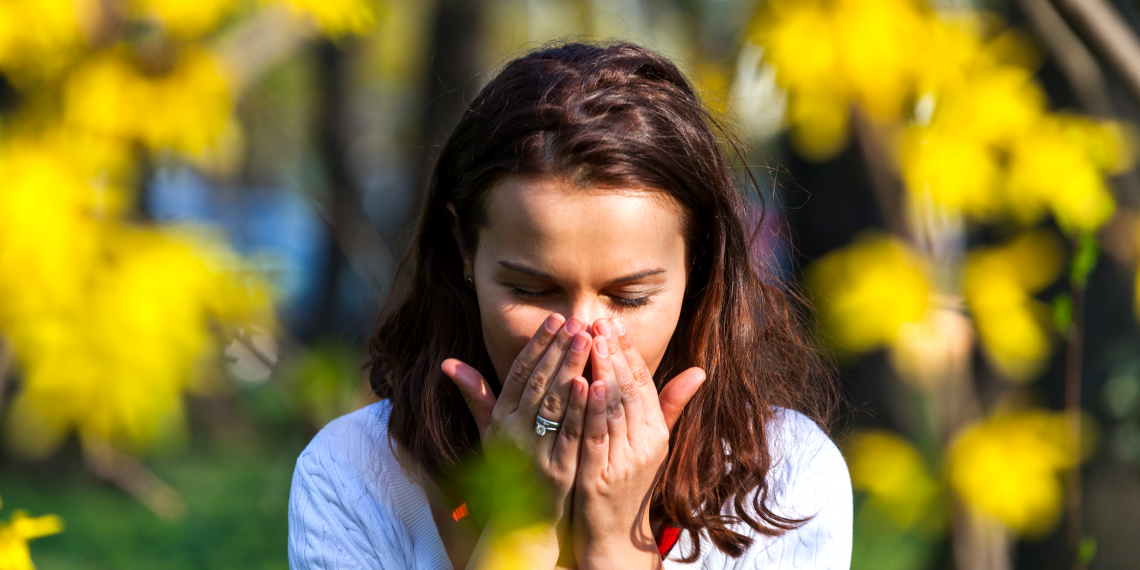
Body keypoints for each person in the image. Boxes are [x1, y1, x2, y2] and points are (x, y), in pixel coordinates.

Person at [288, 41, 852, 569]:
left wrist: (615, 545)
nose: (581, 336)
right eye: (531, 291)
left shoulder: (786, 478)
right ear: (465, 250)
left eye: (630, 297)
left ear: (696, 272)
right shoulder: (356, 472)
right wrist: (519, 528)